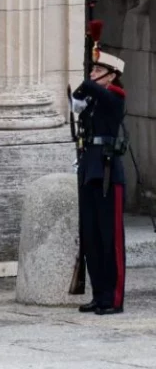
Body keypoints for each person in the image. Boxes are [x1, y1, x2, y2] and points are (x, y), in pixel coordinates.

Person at [70, 49, 127, 316]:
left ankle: (113, 298)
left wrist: (90, 77)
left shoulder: (116, 96)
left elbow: (94, 89)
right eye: (92, 70)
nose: (92, 75)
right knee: (91, 237)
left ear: (112, 75)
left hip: (108, 172)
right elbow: (77, 97)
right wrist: (87, 82)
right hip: (89, 169)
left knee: (110, 238)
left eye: (97, 70)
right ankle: (98, 294)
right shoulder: (93, 99)